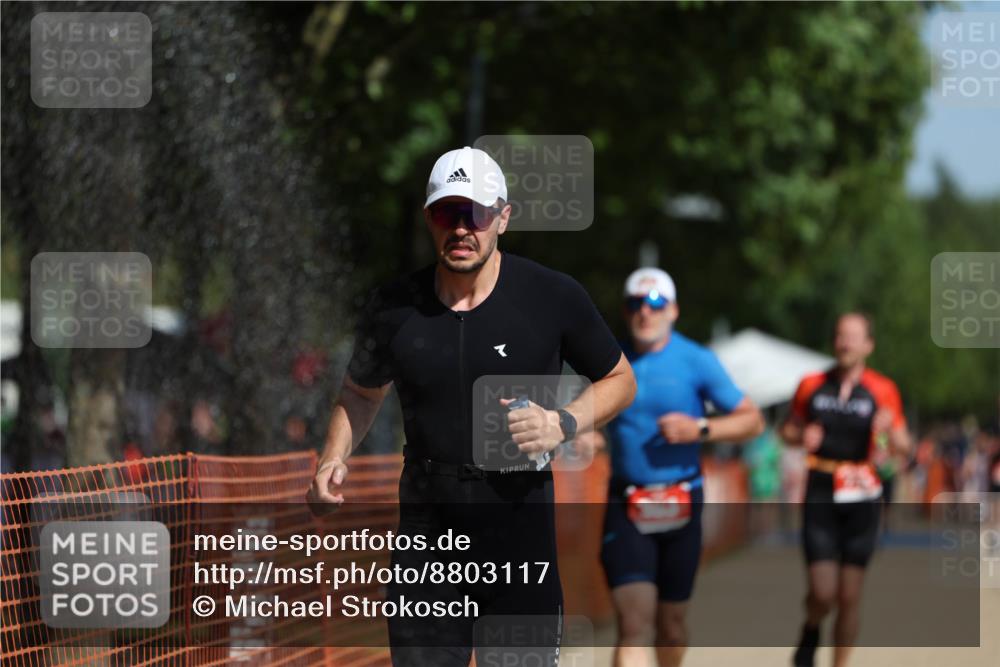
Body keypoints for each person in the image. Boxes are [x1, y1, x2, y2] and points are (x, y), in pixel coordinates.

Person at [307, 146, 636, 667]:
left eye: (476, 214)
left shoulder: (551, 296)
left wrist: (562, 422)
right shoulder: (392, 307)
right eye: (447, 213)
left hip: (518, 534)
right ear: (429, 219)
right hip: (427, 539)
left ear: (503, 218)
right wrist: (332, 457)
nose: (461, 228)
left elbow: (620, 380)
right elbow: (360, 392)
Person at [579, 267, 764, 667]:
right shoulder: (611, 360)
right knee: (633, 625)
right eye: (635, 304)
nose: (645, 311)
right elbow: (585, 413)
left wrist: (701, 428)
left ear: (674, 309)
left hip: (682, 503)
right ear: (626, 311)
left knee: (672, 627)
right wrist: (587, 433)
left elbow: (752, 420)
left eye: (655, 302)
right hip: (627, 503)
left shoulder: (697, 360)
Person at [781, 312, 910, 667]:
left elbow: (905, 445)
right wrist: (801, 435)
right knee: (823, 593)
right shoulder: (811, 384)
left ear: (869, 345)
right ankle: (811, 626)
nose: (845, 343)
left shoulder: (883, 389)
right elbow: (786, 431)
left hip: (863, 495)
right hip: (821, 491)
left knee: (849, 596)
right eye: (840, 335)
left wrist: (890, 430)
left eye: (853, 337)